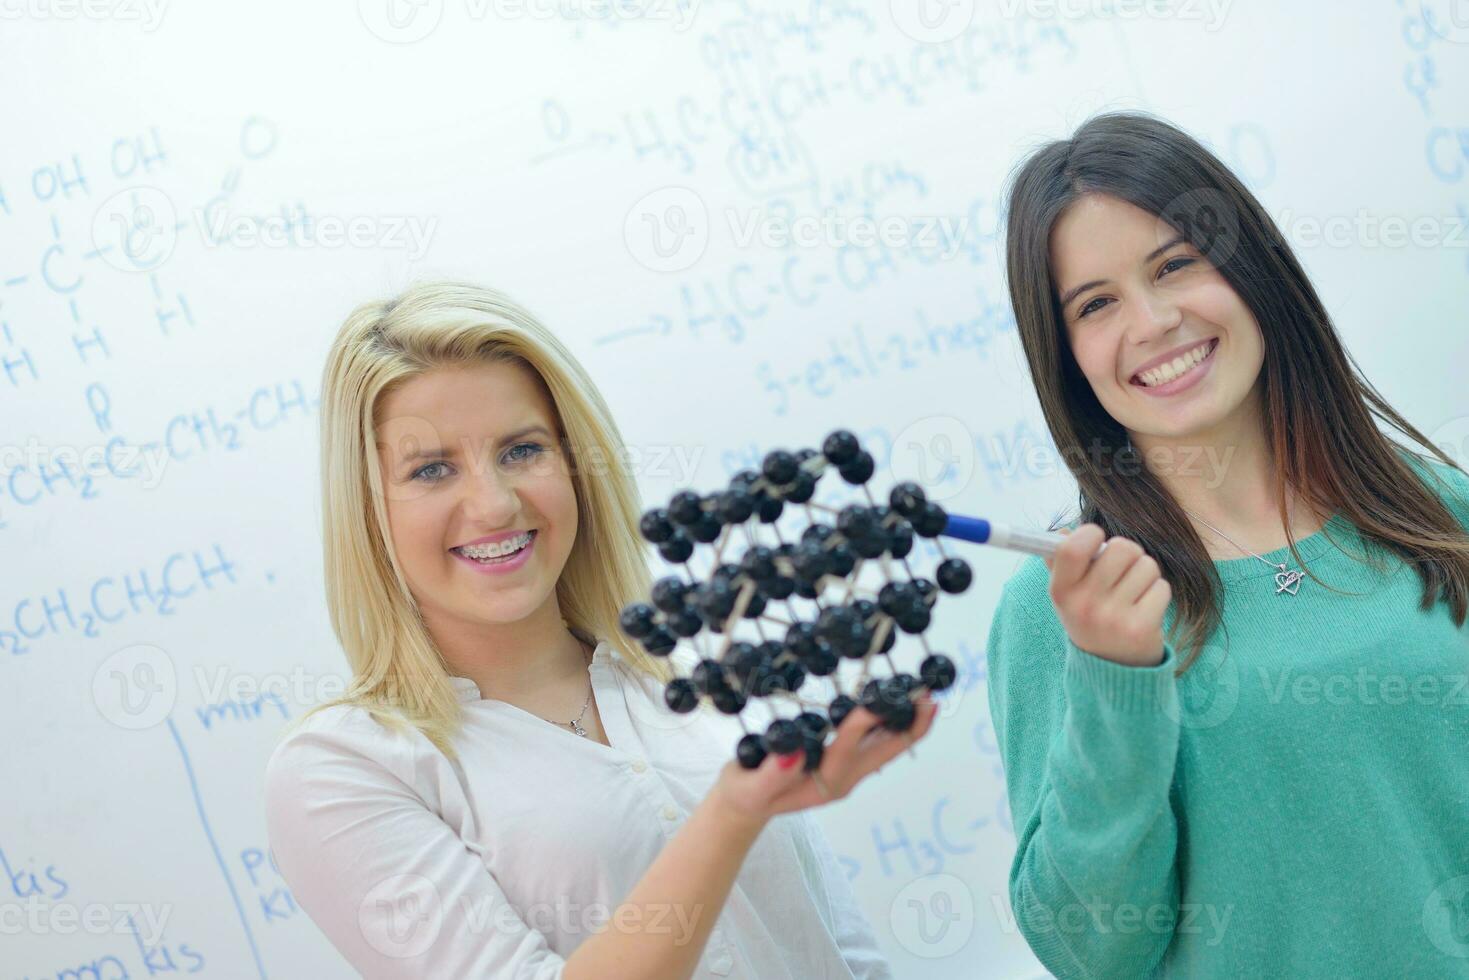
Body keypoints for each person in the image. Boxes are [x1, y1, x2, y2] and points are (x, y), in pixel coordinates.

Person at [263, 280, 934, 978]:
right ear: (369, 510)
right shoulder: (343, 770)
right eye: (431, 470)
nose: (493, 503)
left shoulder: (691, 673)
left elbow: (837, 948)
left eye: (522, 451)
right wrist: (732, 812)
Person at [986, 111, 1469, 978]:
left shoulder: (1431, 507)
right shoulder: (1066, 606)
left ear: (1254, 273)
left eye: (1175, 264)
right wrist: (1112, 678)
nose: (1153, 320)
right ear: (1066, 356)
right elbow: (1092, 950)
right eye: (1094, 304)